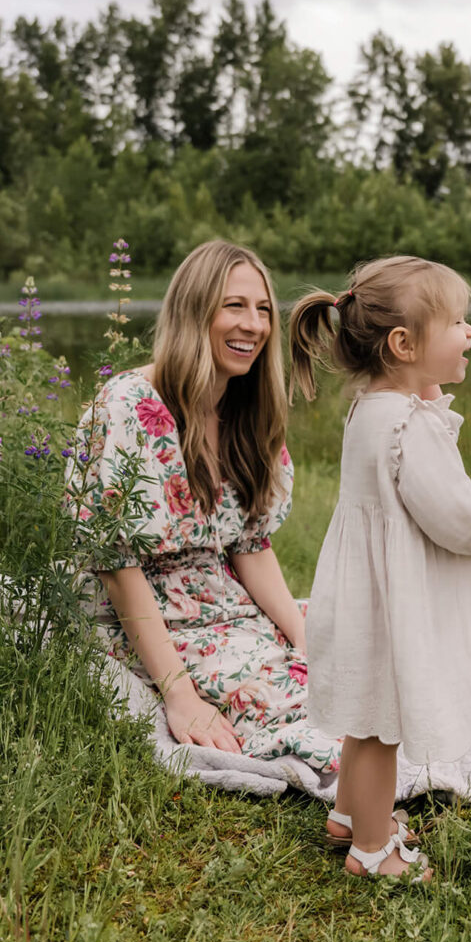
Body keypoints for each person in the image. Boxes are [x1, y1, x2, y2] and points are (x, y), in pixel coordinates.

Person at [289, 256, 471, 881]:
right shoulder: (408, 426)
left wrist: (425, 388)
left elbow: (420, 457)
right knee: (383, 731)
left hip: (366, 596)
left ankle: (351, 816)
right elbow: (455, 514)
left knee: (366, 718)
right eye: (457, 323)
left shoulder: (372, 407)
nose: (470, 333)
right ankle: (374, 851)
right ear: (404, 344)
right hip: (393, 601)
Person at [64, 239, 341, 775]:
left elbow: (251, 547)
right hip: (145, 614)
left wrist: (306, 642)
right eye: (234, 305)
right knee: (279, 702)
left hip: (224, 601)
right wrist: (178, 693)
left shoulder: (245, 410)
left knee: (351, 657)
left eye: (263, 310)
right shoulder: (127, 405)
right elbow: (115, 563)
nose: (254, 325)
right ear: (194, 311)